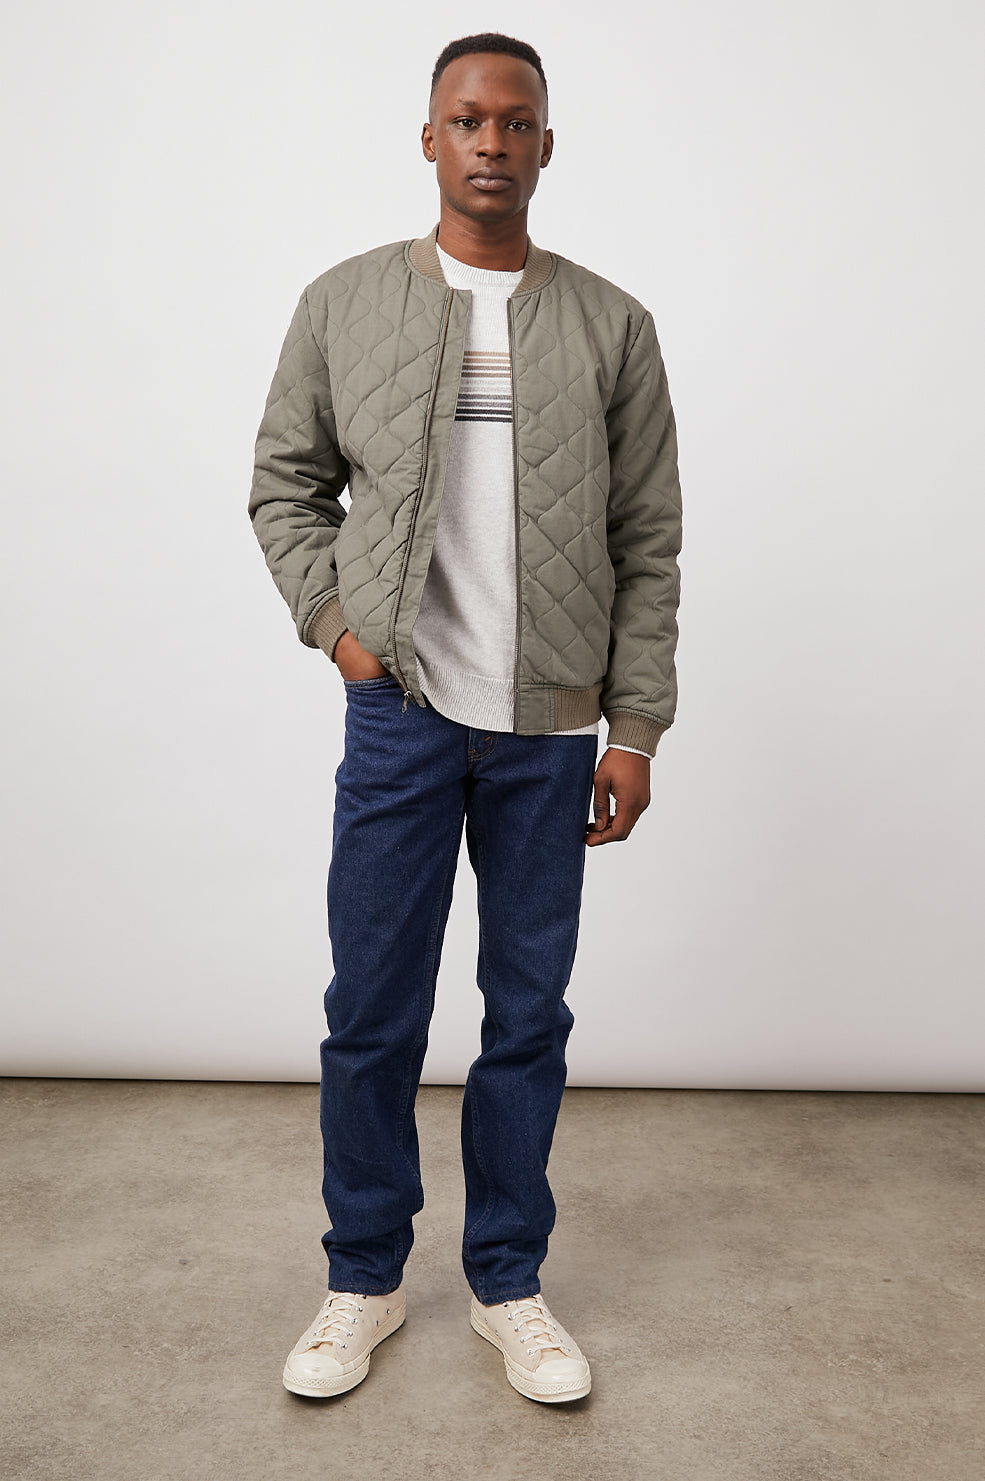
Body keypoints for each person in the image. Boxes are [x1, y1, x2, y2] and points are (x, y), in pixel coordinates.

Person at [249, 32, 682, 1405]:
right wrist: (341, 633)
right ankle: (363, 1277)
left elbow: (647, 538)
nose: (492, 141)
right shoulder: (345, 302)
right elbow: (284, 485)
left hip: (549, 729)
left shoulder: (612, 325)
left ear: (547, 144)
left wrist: (634, 728)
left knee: (526, 1015)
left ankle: (507, 1281)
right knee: (371, 1010)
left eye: (516, 121)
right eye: (468, 119)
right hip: (403, 714)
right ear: (429, 138)